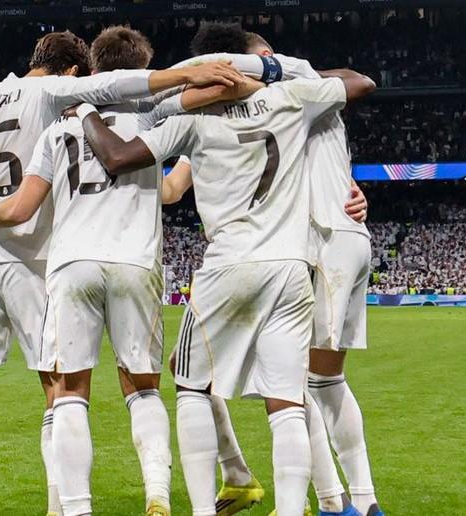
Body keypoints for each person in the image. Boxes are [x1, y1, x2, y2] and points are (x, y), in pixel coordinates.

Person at [0, 30, 246, 516]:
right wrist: (191, 73)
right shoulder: (56, 94)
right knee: (62, 388)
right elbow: (121, 85)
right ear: (76, 73)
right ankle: (66, 504)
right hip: (39, 256)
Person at [74, 61, 375, 515]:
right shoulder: (289, 101)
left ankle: (210, 504)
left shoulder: (192, 122)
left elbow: (117, 157)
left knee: (190, 385)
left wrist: (82, 110)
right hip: (289, 269)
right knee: (288, 402)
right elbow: (359, 83)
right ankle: (301, 503)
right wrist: (267, 73)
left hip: (228, 266)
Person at [164, 24, 377, 516]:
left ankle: (343, 502)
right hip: (322, 240)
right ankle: (333, 498)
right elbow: (175, 186)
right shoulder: (237, 113)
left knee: (303, 385)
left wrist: (260, 70)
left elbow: (359, 81)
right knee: (307, 382)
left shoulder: (292, 85)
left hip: (313, 239)